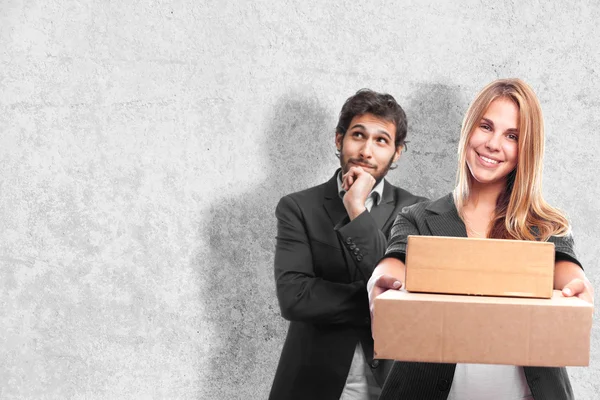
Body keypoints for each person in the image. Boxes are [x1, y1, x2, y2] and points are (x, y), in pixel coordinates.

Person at [367, 78, 594, 400]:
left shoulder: (543, 226)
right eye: (486, 127)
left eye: (512, 136)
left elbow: (562, 266)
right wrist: (381, 280)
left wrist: (578, 284)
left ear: (525, 148)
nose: (493, 144)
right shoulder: (417, 217)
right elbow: (397, 260)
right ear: (468, 129)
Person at [269, 89, 426, 400]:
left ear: (397, 153)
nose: (366, 151)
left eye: (381, 140)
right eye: (358, 135)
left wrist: (356, 208)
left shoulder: (417, 212)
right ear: (339, 139)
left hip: (390, 383)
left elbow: (414, 302)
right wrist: (380, 300)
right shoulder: (298, 208)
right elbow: (294, 298)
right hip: (311, 382)